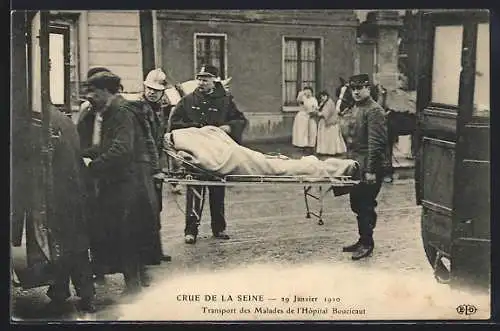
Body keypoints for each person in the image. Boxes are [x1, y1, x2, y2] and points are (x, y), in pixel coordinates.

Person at [80, 71, 145, 295]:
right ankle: (124, 280)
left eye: (93, 91)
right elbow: (105, 146)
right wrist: (85, 154)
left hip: (124, 183)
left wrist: (92, 165)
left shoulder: (122, 112)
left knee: (125, 233)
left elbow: (122, 149)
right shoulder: (106, 111)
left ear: (107, 91)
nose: (89, 96)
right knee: (110, 230)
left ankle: (133, 286)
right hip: (112, 181)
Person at [169, 64, 247, 244]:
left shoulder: (225, 101)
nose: (202, 82)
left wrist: (228, 127)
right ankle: (191, 231)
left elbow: (240, 120)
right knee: (194, 189)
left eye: (206, 79)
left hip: (217, 154)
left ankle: (219, 228)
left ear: (215, 81)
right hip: (194, 155)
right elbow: (174, 123)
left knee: (217, 190)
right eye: (200, 78)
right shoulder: (188, 101)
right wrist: (193, 130)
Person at [40, 107, 97, 313]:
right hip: (75, 190)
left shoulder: (45, 119)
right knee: (73, 245)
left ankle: (73, 292)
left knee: (66, 245)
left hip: (62, 192)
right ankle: (74, 292)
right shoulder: (61, 119)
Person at [338, 74, 388, 260]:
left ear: (369, 88)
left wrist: (371, 171)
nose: (357, 92)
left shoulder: (374, 111)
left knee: (365, 204)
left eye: (361, 88)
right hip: (357, 165)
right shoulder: (356, 108)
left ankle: (367, 243)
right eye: (354, 89)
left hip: (369, 166)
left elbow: (376, 144)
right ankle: (362, 239)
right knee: (357, 203)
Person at [315, 90, 347, 156]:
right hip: (325, 122)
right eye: (321, 97)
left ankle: (332, 151)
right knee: (325, 137)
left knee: (330, 137)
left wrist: (317, 113)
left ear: (327, 96)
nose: (323, 98)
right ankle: (324, 151)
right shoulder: (324, 103)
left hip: (330, 122)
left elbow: (326, 113)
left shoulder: (329, 103)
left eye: (324, 96)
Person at [292, 86, 318, 153]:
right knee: (303, 131)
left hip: (311, 116)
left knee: (312, 130)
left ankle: (311, 145)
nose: (308, 94)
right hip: (302, 116)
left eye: (310, 92)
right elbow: (299, 99)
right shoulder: (303, 98)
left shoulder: (313, 99)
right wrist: (302, 93)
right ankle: (302, 145)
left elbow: (315, 107)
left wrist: (313, 111)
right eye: (307, 92)